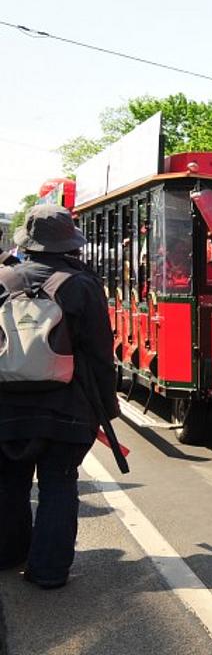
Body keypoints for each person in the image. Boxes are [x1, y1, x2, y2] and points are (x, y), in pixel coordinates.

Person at [0, 205, 120, 589]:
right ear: (69, 243)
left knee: (10, 483)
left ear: (27, 244)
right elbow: (102, 353)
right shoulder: (83, 285)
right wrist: (106, 408)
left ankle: (8, 554)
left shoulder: (3, 280)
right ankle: (49, 572)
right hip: (68, 406)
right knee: (59, 483)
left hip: (7, 409)